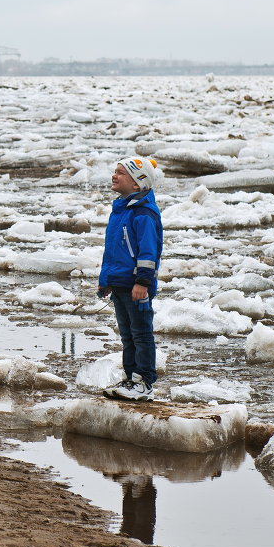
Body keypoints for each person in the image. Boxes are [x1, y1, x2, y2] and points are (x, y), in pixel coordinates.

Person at [98, 157, 163, 402]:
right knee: (127, 335)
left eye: (121, 173)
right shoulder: (121, 210)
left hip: (137, 286)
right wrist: (106, 281)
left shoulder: (143, 213)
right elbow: (113, 252)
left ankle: (143, 382)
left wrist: (143, 282)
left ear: (137, 184)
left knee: (141, 334)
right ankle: (130, 377)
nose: (114, 176)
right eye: (114, 171)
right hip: (120, 284)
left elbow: (148, 252)